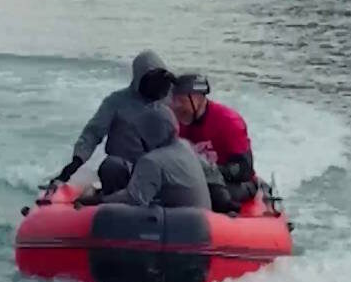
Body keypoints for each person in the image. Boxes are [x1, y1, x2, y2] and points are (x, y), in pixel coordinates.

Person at [54, 50, 174, 194]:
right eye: (151, 81)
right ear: (139, 79)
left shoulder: (172, 103)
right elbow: (93, 132)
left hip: (158, 170)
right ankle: (114, 200)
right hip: (124, 169)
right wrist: (76, 161)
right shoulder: (116, 101)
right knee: (111, 166)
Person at [83, 103, 211, 209]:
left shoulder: (153, 161)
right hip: (201, 216)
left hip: (178, 224)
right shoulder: (186, 146)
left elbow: (133, 199)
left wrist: (98, 201)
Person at [169, 73, 257, 212]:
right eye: (174, 100)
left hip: (234, 183)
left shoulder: (229, 121)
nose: (176, 106)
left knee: (208, 194)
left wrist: (205, 171)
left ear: (197, 98)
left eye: (181, 100)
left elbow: (243, 169)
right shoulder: (172, 121)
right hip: (191, 178)